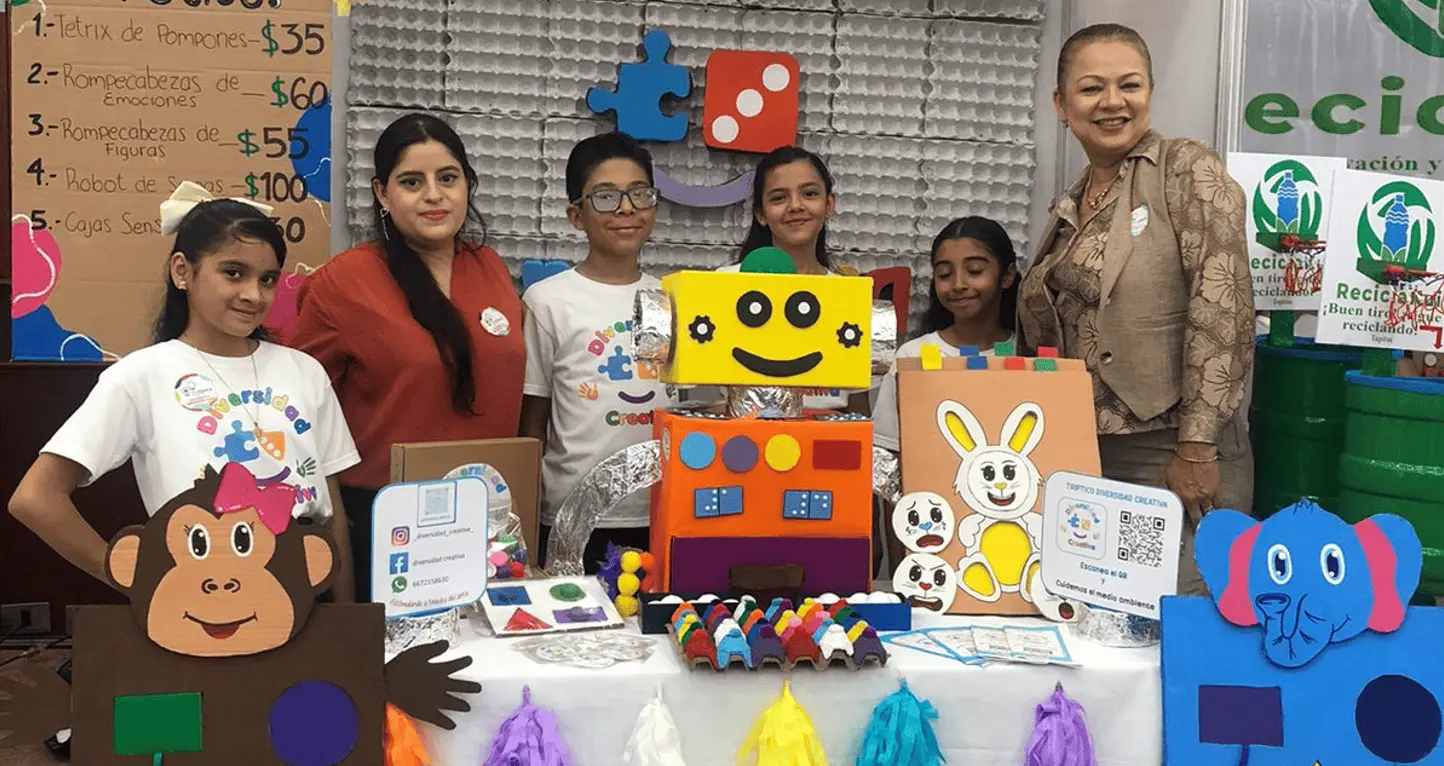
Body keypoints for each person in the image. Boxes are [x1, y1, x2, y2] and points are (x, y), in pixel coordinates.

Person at [8, 183, 362, 602]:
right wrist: (135, 581)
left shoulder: (304, 371)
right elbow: (35, 498)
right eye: (233, 273)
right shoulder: (143, 375)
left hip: (308, 593)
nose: (253, 294)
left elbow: (332, 512)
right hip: (205, 597)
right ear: (182, 271)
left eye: (267, 279)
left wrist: (347, 621)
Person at [1017, 23, 1255, 595]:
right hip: (1089, 458)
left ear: (1150, 91)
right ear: (1061, 104)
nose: (1112, 102)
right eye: (1092, 88)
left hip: (1176, 452)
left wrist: (1197, 447)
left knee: (1177, 626)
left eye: (1130, 84)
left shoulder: (1185, 169)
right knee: (1105, 629)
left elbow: (1224, 305)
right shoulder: (1072, 201)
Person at [290, 113, 524, 598]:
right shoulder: (344, 282)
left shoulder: (492, 269)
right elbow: (298, 410)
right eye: (412, 182)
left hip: (487, 520)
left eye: (448, 178)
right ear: (382, 194)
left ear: (467, 185)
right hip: (382, 522)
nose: (434, 195)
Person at [519, 132, 677, 573]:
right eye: (605, 197)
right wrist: (528, 520)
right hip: (573, 515)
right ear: (576, 215)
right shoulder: (547, 300)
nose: (626, 209)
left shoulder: (673, 299)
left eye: (639, 194)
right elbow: (534, 418)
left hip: (664, 509)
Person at [700, 145, 870, 414]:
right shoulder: (727, 283)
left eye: (810, 193)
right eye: (779, 198)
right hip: (742, 446)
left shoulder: (848, 294)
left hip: (820, 449)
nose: (795, 206)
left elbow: (859, 407)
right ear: (760, 214)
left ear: (829, 204)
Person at [873, 216, 1018, 453]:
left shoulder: (1021, 353)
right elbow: (886, 446)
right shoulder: (914, 354)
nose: (958, 284)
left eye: (975, 270)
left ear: (1007, 275)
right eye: (944, 274)